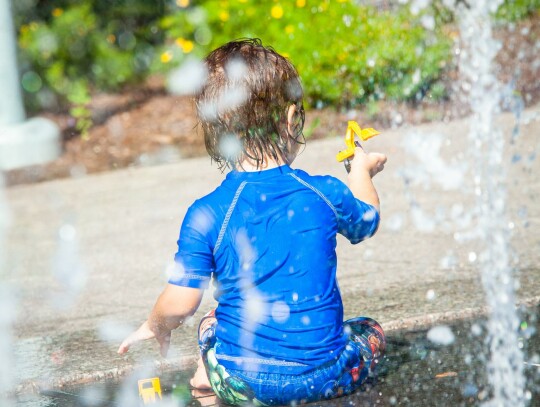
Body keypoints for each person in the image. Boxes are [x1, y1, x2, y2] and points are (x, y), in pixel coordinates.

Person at [118, 38, 387, 405]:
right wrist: (361, 171)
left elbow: (180, 303)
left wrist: (154, 326)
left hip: (245, 382)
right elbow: (366, 220)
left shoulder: (206, 212)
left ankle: (206, 381)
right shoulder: (322, 191)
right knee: (370, 330)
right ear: (292, 120)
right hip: (326, 377)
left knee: (211, 322)